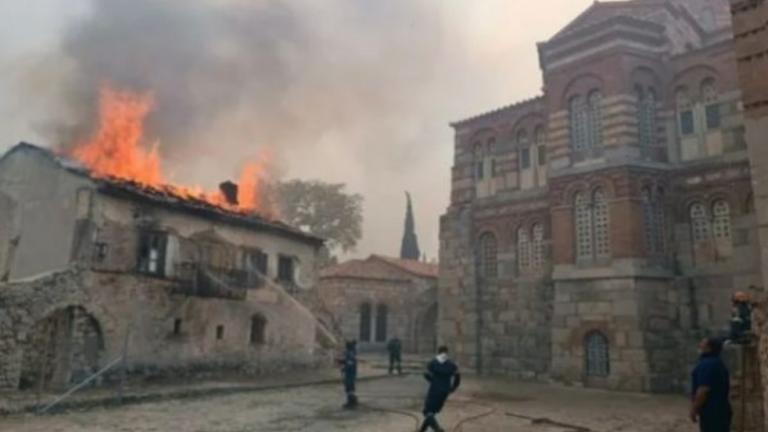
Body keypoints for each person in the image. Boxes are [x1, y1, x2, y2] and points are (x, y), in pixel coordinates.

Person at [690, 337, 732, 432]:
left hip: (712, 411)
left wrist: (694, 409)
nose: (699, 345)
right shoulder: (718, 362)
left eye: (702, 344)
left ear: (709, 348)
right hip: (722, 409)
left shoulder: (707, 364)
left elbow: (703, 389)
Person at [419, 345, 461, 432]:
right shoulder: (452, 364)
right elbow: (458, 377)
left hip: (434, 389)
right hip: (445, 390)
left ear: (438, 352)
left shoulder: (433, 362)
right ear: (446, 352)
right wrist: (453, 388)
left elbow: (426, 374)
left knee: (427, 412)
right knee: (432, 412)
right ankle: (422, 430)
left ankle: (437, 429)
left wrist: (433, 381)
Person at [338, 340, 358, 409]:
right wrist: (342, 361)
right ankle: (353, 400)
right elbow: (348, 361)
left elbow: (350, 364)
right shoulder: (352, 352)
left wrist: (344, 368)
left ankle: (351, 402)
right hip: (351, 373)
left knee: (349, 387)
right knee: (351, 387)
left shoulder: (350, 354)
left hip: (350, 373)